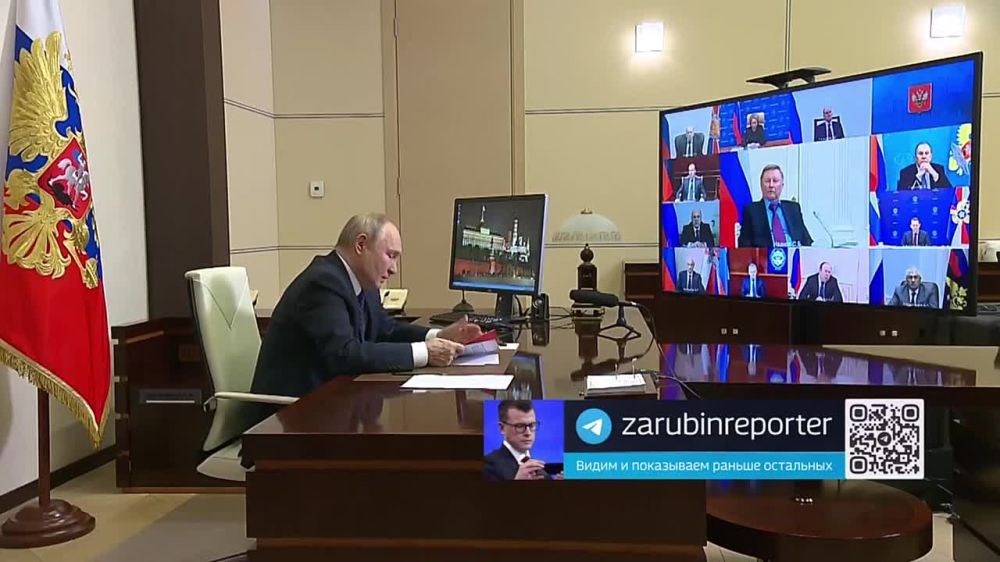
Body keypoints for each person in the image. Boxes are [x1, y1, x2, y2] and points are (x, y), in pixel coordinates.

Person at [250, 213, 483, 406]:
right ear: (361, 245)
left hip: (330, 403)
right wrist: (426, 353)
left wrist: (438, 335)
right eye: (390, 256)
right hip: (290, 415)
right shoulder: (323, 282)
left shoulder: (362, 281)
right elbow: (344, 355)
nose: (394, 269)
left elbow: (385, 329)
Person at [737, 164, 813, 248]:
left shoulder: (793, 209)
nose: (771, 185)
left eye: (775, 181)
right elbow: (744, 245)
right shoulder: (752, 211)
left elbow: (806, 242)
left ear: (782, 185)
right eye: (767, 181)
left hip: (793, 254)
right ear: (761, 185)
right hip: (766, 255)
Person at [483, 400, 557, 480]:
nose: (528, 433)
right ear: (502, 428)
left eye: (532, 425)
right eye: (520, 426)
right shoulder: (488, 465)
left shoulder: (541, 471)